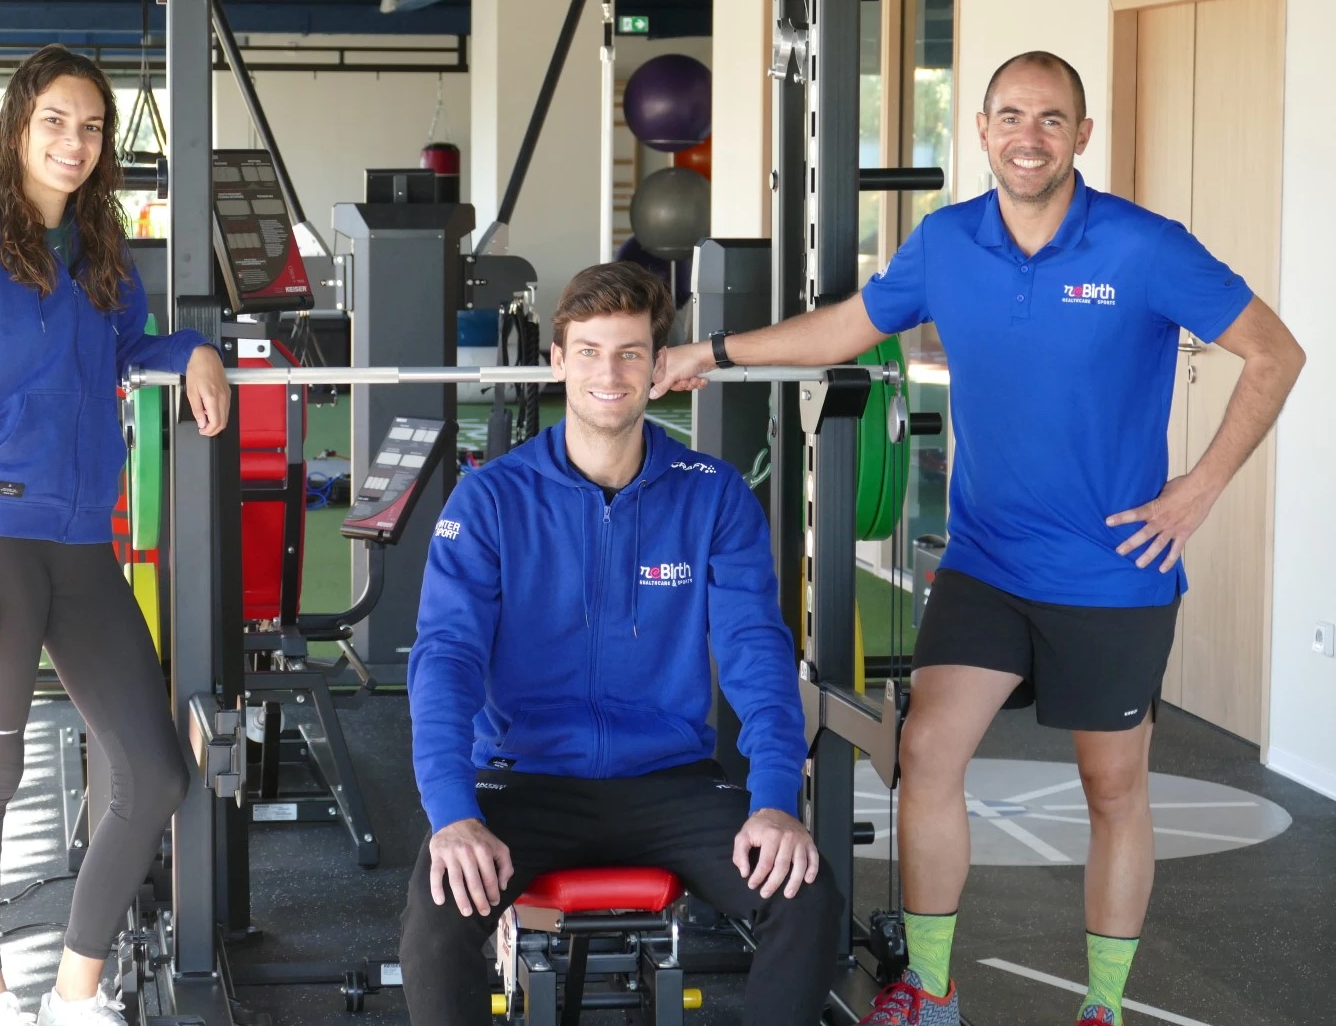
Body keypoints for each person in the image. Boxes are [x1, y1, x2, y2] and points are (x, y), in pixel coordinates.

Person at [651, 50, 1306, 1026]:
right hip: (987, 561)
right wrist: (709, 352)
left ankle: (1105, 1007)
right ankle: (932, 986)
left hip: (1113, 569)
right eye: (1009, 116)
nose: (1027, 136)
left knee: (1112, 788)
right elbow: (842, 331)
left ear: (1082, 135)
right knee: (929, 751)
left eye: (1050, 119)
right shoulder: (948, 243)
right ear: (983, 131)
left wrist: (1200, 489)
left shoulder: (1143, 247)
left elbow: (1275, 351)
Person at [400, 261, 844, 1025]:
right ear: (557, 361)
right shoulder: (490, 499)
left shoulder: (713, 494)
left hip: (669, 779)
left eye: (631, 352)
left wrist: (775, 800)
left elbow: (757, 655)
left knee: (805, 898)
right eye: (590, 351)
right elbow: (446, 661)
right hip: (524, 777)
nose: (610, 372)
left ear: (658, 366)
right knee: (436, 921)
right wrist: (452, 814)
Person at [0, 45, 231, 1026]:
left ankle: (76, 990)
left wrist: (198, 350)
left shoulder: (100, 244)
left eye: (90, 126)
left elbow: (131, 345)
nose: (74, 142)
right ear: (18, 125)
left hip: (85, 547)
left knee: (157, 769)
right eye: (55, 120)